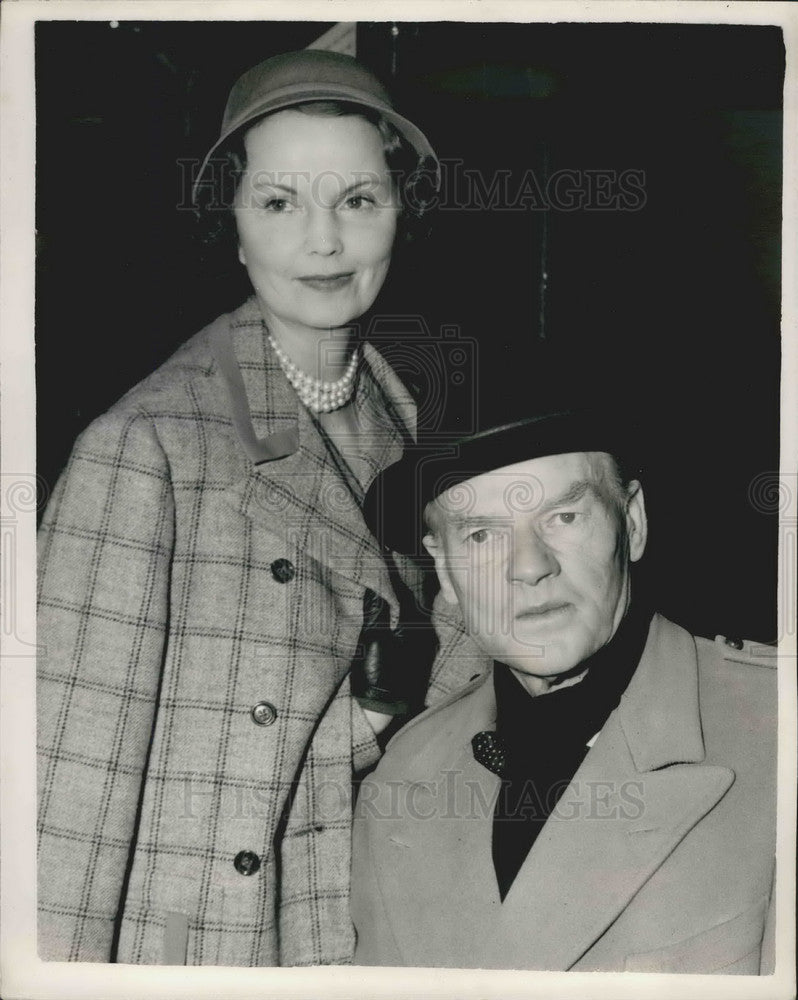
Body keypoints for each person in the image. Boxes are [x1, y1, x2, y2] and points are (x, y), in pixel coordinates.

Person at [37, 48, 466, 966]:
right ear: (229, 227)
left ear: (404, 212)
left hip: (358, 915)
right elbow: (65, 803)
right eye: (278, 204)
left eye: (359, 200)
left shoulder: (403, 417)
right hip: (206, 943)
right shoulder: (147, 446)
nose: (325, 242)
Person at [352, 399, 777, 972]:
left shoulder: (779, 734)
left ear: (632, 522)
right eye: (481, 535)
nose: (530, 567)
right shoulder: (402, 777)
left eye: (564, 517)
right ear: (446, 571)